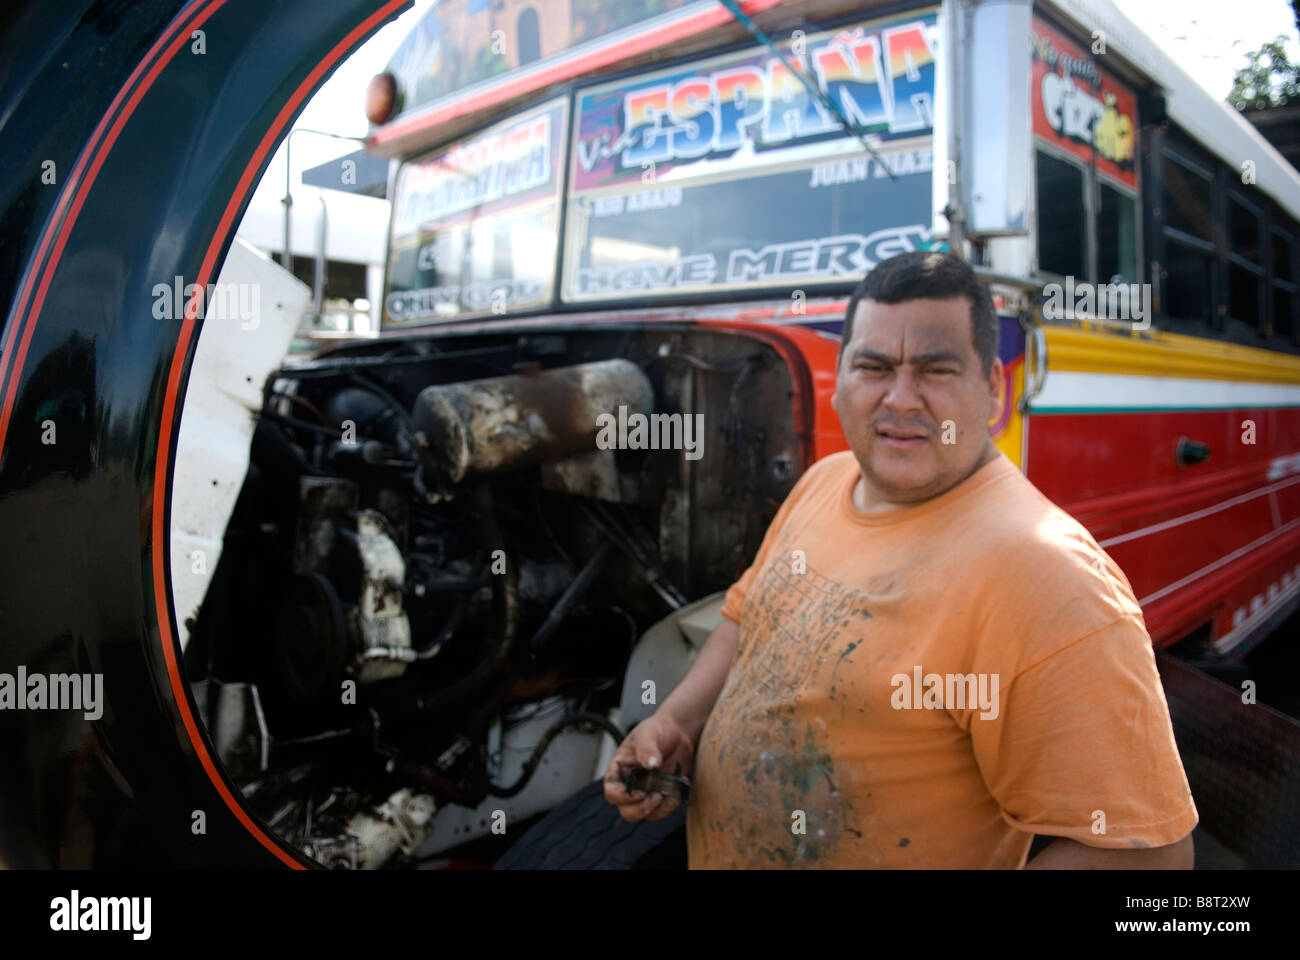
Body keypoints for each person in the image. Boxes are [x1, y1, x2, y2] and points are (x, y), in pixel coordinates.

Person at [602, 251, 1198, 868]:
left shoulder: (1046, 575)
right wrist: (676, 723)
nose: (902, 398)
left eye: (936, 370)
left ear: (993, 389)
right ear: (843, 380)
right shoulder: (825, 480)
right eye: (875, 366)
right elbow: (745, 619)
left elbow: (1146, 857)